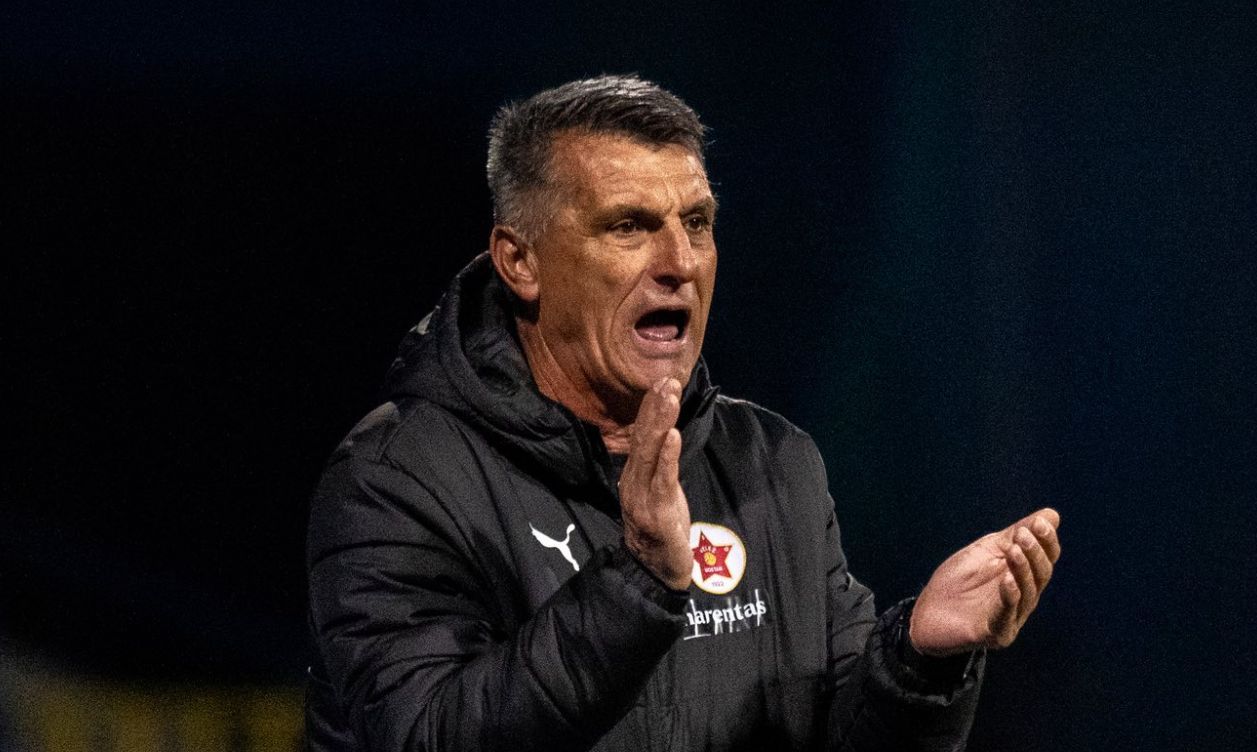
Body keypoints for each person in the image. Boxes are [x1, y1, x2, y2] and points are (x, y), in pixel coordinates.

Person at [304, 75, 1061, 751]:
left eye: (696, 222)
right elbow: (427, 732)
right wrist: (636, 583)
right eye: (628, 226)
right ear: (521, 262)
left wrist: (919, 661)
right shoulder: (397, 480)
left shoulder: (770, 462)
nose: (680, 262)